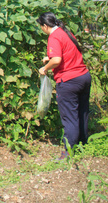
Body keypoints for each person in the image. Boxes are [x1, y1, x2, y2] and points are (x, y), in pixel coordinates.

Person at [37, 12, 91, 159]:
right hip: (84, 76)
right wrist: (49, 58)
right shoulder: (64, 32)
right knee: (82, 113)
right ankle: (82, 145)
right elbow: (69, 51)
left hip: (69, 81)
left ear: (45, 26)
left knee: (70, 117)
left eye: (41, 27)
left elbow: (57, 60)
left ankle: (68, 151)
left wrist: (45, 68)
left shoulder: (53, 37)